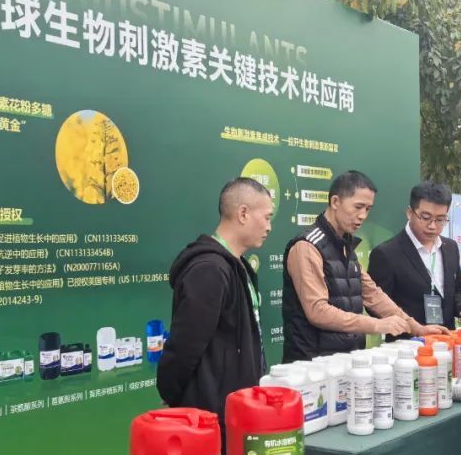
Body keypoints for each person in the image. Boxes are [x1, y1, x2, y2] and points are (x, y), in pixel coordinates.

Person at [282, 171, 441, 362]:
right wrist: (376, 325)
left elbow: (373, 294)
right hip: (311, 366)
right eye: (358, 207)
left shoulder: (345, 245)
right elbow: (317, 311)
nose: (363, 215)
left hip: (346, 360)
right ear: (335, 202)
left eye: (368, 209)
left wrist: (416, 328)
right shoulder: (307, 246)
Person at [157, 177, 272, 430]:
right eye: (266, 217)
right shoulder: (210, 269)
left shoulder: (238, 266)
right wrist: (174, 396)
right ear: (243, 213)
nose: (269, 226)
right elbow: (185, 346)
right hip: (210, 415)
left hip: (235, 410)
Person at [367, 181, 461, 333]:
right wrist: (412, 326)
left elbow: (457, 288)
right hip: (408, 342)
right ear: (410, 213)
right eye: (425, 217)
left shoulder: (450, 247)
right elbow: (376, 306)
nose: (432, 226)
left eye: (440, 219)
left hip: (447, 338)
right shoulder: (386, 254)